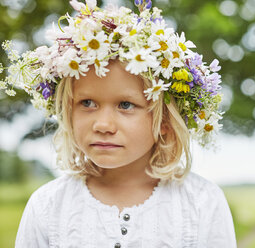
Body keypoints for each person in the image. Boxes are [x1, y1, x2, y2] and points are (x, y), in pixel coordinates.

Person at [1, 0, 236, 247]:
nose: (103, 125)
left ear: (165, 121)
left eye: (125, 105)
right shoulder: (47, 207)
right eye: (87, 103)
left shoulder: (202, 203)